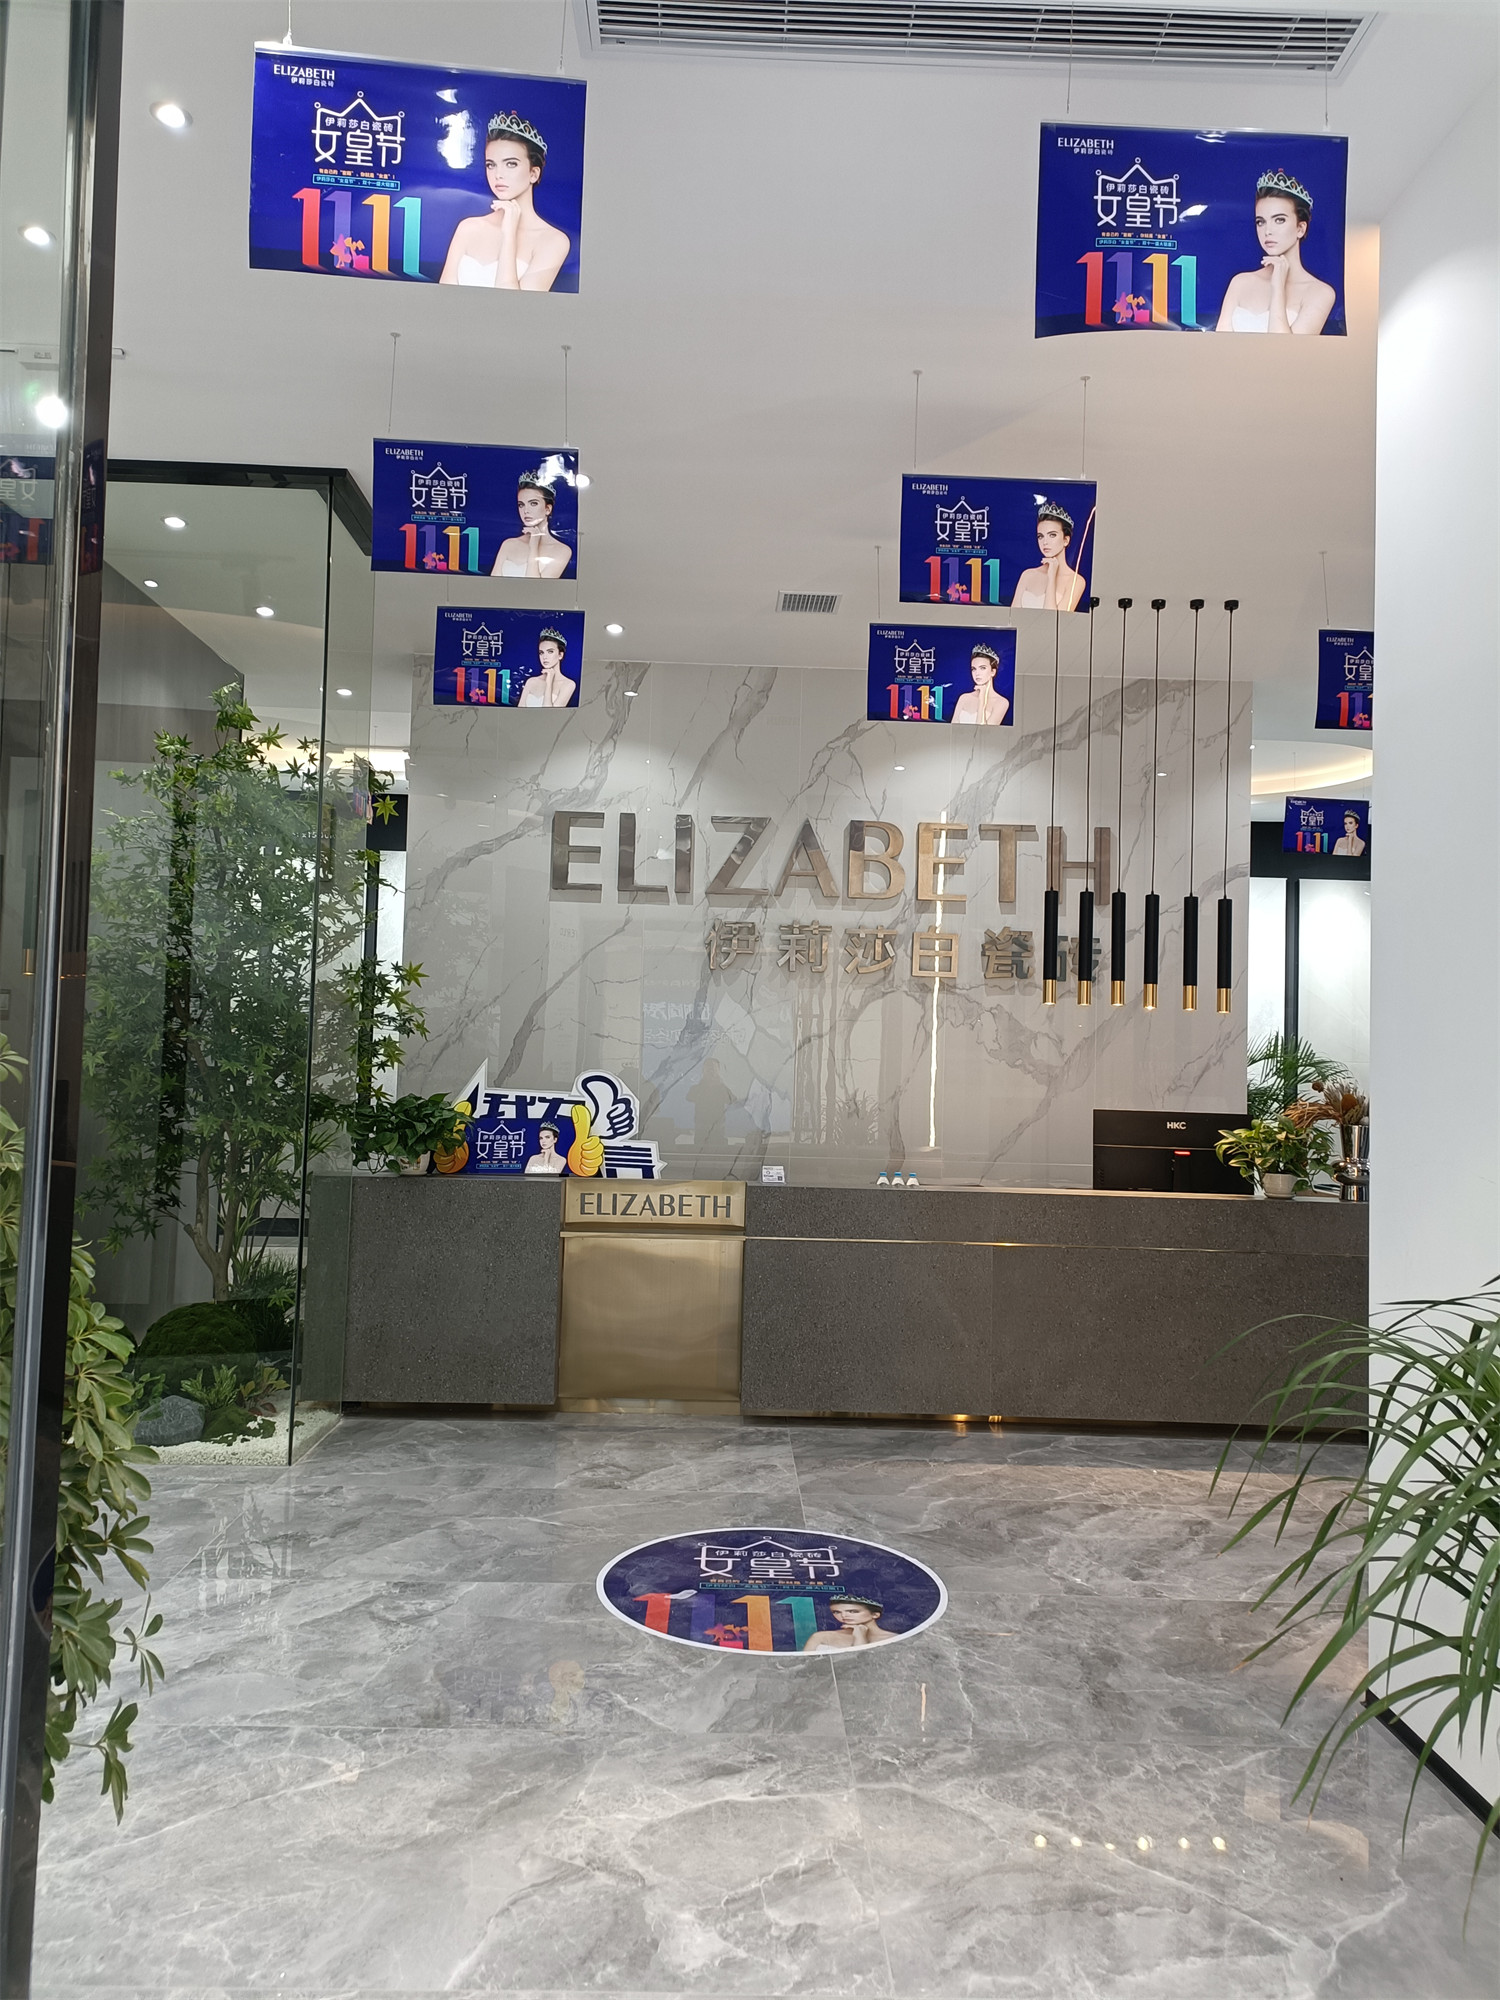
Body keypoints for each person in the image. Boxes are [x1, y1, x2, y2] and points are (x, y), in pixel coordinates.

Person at [439, 111, 570, 293]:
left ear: (534, 173)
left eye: (511, 164)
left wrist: (509, 234)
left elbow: (517, 307)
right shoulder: (468, 228)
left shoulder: (553, 241)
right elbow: (443, 300)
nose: (498, 174)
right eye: (491, 165)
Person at [1216, 170, 1336, 336]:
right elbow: (1218, 347)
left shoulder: (1320, 293)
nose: (1268, 231)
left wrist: (1277, 287)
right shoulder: (1240, 283)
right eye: (1261, 222)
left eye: (1279, 220)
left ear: (1300, 228)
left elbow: (1285, 350)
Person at [492, 472, 573, 578]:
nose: (526, 510)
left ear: (548, 509)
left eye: (533, 503)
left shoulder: (562, 551)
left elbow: (537, 587)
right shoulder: (508, 544)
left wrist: (534, 546)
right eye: (521, 505)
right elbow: (492, 585)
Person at [1011, 502, 1085, 611]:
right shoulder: (1027, 575)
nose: (1045, 542)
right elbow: (1013, 617)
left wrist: (1051, 577)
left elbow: (1054, 619)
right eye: (1040, 536)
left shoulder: (1076, 581)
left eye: (1052, 535)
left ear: (1066, 540)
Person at [802, 1598, 898, 1650]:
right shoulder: (821, 1637)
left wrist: (860, 1637)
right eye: (836, 1612)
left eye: (852, 1611)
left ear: (875, 1614)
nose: (843, 1616)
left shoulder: (893, 1639)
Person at [951, 644, 1010, 726]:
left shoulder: (1001, 702)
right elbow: (952, 730)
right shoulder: (964, 698)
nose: (977, 673)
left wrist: (982, 700)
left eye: (982, 668)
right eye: (974, 669)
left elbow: (984, 731)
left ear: (993, 672)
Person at [517, 628, 577, 708]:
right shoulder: (531, 682)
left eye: (550, 652)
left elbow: (550, 713)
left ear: (560, 655)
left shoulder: (568, 684)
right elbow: (519, 712)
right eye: (541, 653)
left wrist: (549, 682)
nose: (545, 657)